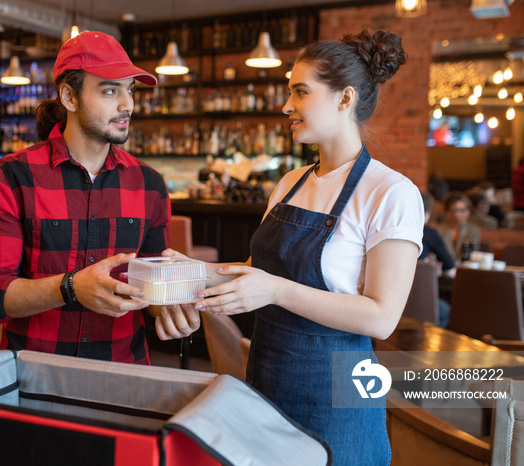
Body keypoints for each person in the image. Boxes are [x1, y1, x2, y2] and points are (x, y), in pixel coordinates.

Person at [185, 29, 423, 465]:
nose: (286, 106)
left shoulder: (390, 192)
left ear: (344, 98)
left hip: (339, 394)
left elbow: (382, 317)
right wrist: (184, 273)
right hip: (267, 380)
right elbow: (252, 276)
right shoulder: (290, 184)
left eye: (300, 92)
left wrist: (276, 291)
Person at [0, 31, 199, 364]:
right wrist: (70, 287)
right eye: (110, 91)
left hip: (123, 372)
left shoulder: (149, 183)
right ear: (69, 97)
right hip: (36, 373)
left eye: (130, 90)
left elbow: (152, 287)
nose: (128, 105)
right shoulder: (14, 175)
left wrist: (172, 306)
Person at [419, 191, 454, 328]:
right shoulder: (428, 233)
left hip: (389, 300)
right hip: (419, 300)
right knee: (446, 311)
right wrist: (429, 268)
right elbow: (449, 266)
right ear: (426, 214)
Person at [434, 191, 481, 261]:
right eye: (460, 210)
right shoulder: (437, 229)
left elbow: (472, 255)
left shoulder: (473, 230)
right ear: (448, 213)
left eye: (467, 209)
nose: (465, 213)